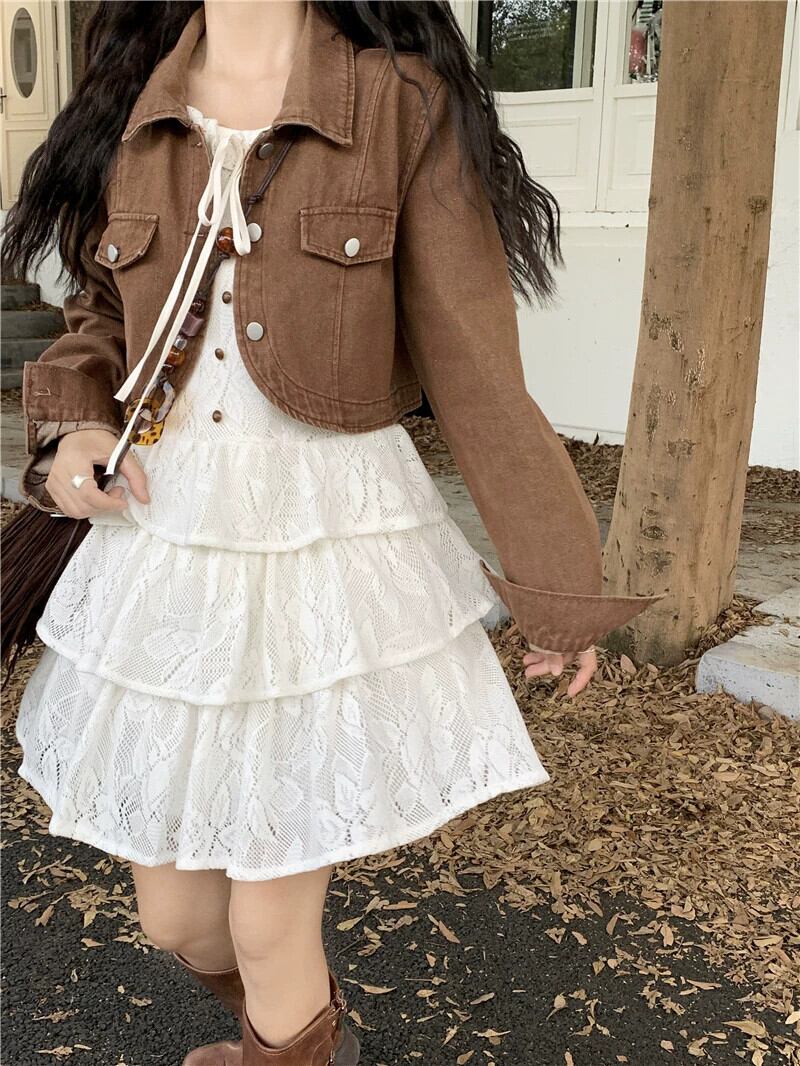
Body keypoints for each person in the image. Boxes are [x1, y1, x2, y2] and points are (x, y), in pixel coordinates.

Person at [1, 2, 658, 1063]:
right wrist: (75, 424)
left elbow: (474, 365)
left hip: (324, 544)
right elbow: (102, 309)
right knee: (178, 921)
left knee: (269, 930)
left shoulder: (399, 105)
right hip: (169, 542)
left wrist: (557, 584)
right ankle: (310, 1039)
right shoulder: (132, 105)